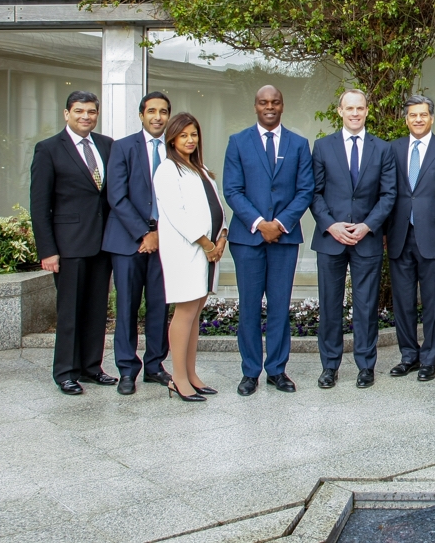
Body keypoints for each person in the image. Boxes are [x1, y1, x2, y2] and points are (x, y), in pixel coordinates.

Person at [223, 85, 315, 396]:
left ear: (283, 105)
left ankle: (277, 370)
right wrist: (261, 224)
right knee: (249, 307)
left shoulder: (299, 144)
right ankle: (250, 372)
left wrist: (280, 224)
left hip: (284, 239)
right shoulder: (238, 142)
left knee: (279, 306)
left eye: (275, 101)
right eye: (263, 102)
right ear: (255, 106)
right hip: (247, 239)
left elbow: (305, 190)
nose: (269, 107)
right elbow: (232, 190)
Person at [310, 89, 397, 389]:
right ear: (339, 111)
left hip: (367, 240)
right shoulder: (322, 147)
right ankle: (329, 366)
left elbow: (389, 195)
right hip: (331, 239)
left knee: (366, 306)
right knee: (330, 306)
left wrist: (367, 226)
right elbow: (315, 193)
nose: (355, 113)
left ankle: (365, 366)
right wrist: (331, 225)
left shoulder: (382, 149)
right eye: (349, 108)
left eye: (360, 108)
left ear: (367, 111)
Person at [30, 91, 116, 395]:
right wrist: (48, 250)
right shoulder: (49, 149)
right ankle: (65, 371)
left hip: (102, 244)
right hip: (67, 247)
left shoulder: (107, 146)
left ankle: (92, 367)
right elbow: (39, 206)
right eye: (79, 111)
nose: (86, 117)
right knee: (69, 311)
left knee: (96, 309)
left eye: (91, 112)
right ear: (67, 114)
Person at [387, 94, 435, 382]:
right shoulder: (392, 149)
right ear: (405, 119)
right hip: (399, 235)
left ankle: (429, 358)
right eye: (412, 115)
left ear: (432, 118)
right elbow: (387, 194)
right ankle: (409, 356)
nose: (418, 119)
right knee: (402, 302)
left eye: (423, 114)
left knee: (432, 303)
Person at [102, 92, 173, 395]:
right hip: (128, 242)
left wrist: (159, 234)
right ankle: (127, 370)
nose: (158, 117)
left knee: (159, 306)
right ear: (141, 115)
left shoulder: (176, 148)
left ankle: (155, 365)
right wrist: (144, 233)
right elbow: (116, 195)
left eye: (164, 112)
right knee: (128, 307)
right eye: (152, 111)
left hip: (166, 242)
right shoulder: (122, 147)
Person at [153, 113, 226, 402]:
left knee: (196, 314)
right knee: (184, 314)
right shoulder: (168, 170)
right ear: (172, 138)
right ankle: (178, 380)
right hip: (188, 251)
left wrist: (221, 238)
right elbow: (177, 214)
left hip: (209, 252)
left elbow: (216, 207)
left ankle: (192, 374)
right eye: (183, 135)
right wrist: (207, 243)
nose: (190, 140)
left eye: (194, 134)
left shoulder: (202, 169)